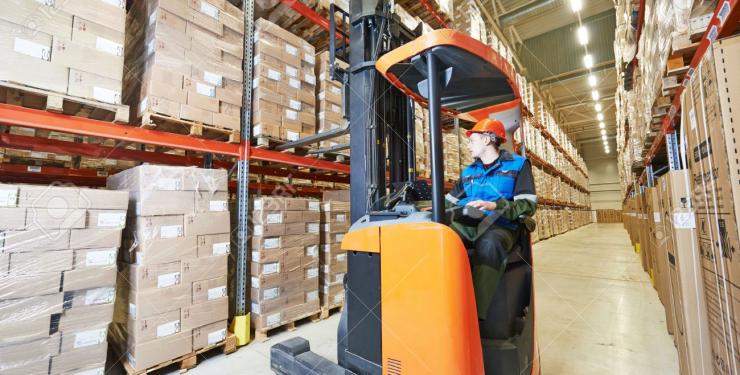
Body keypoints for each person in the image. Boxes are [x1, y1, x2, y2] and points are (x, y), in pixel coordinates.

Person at [446, 118, 537, 318]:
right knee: (442, 237)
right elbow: (449, 201)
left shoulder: (518, 165)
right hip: (470, 223)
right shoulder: (469, 172)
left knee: (489, 243)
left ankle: (475, 316)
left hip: (502, 225)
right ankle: (445, 302)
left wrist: (495, 205)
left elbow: (527, 205)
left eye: (472, 140)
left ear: (487, 140)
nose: (468, 145)